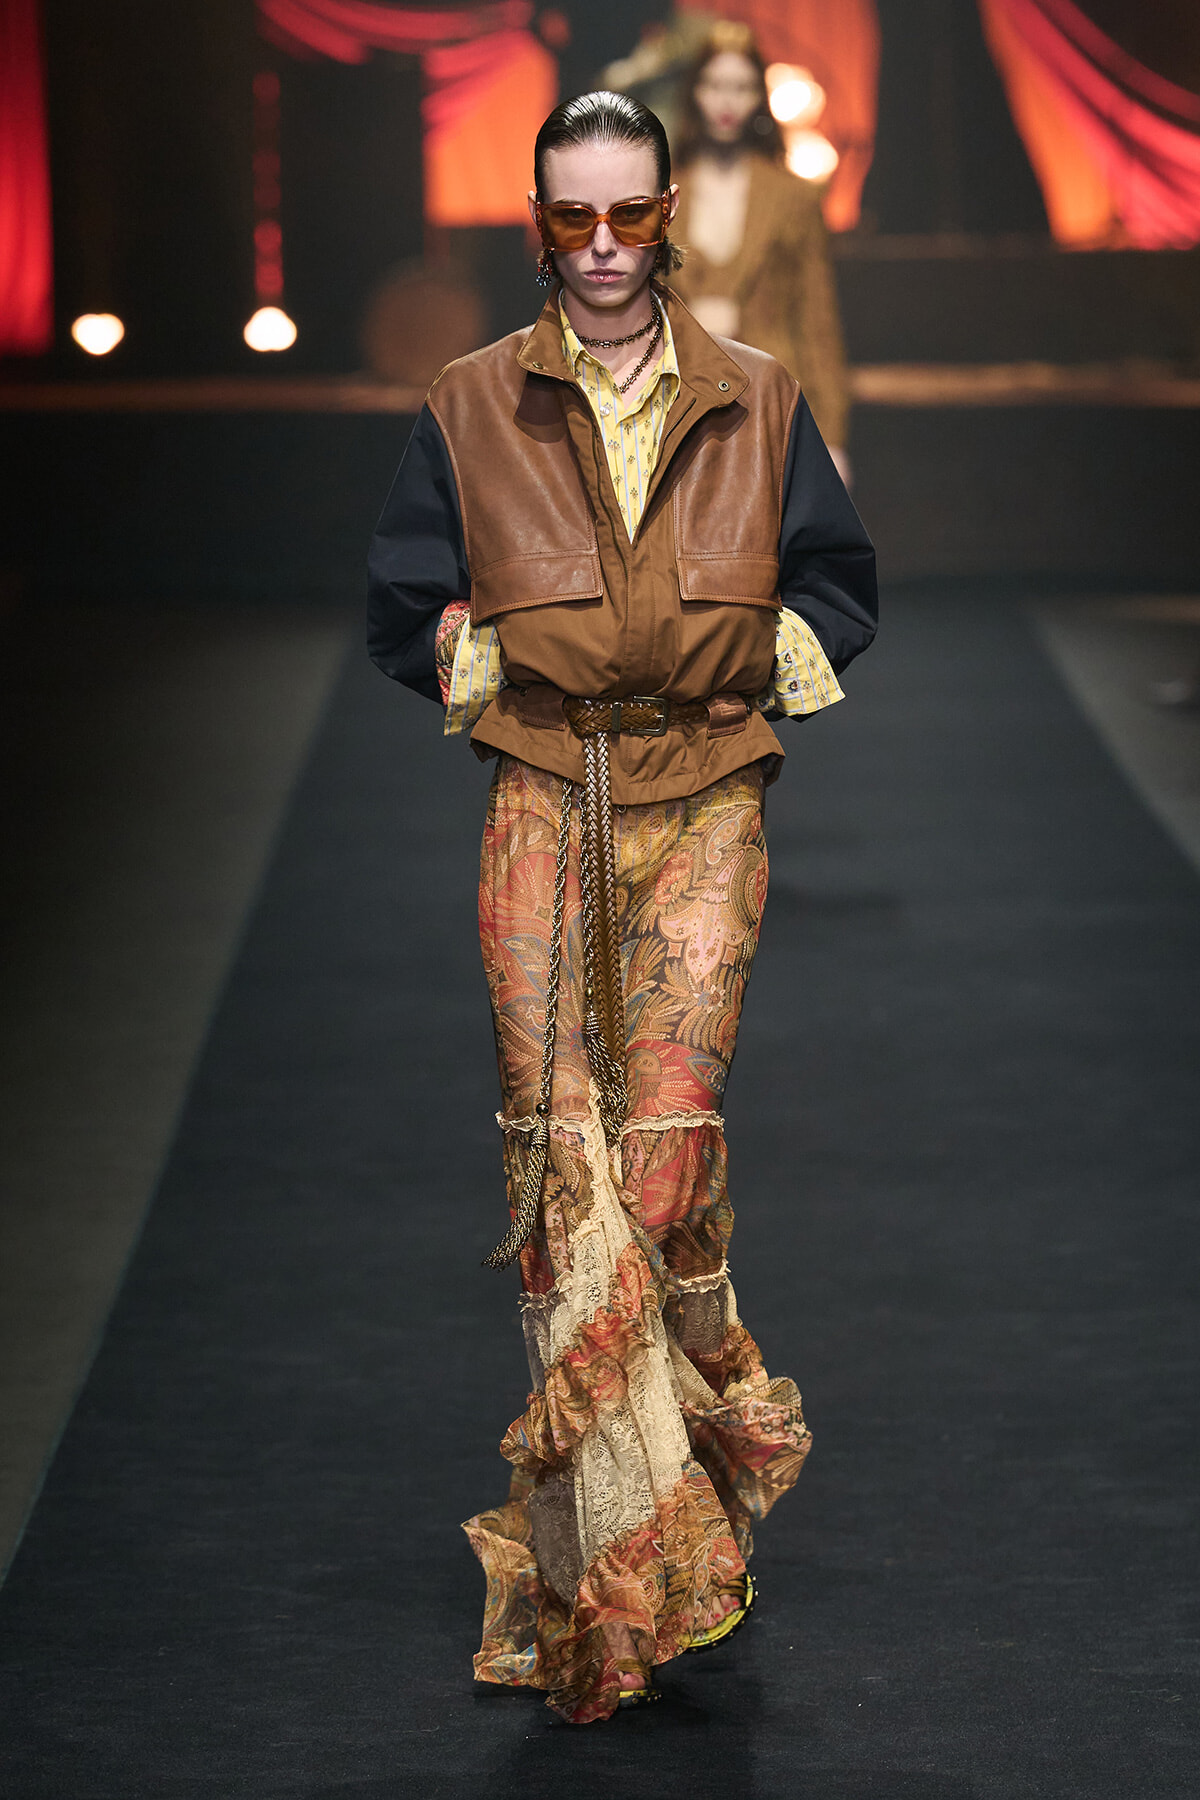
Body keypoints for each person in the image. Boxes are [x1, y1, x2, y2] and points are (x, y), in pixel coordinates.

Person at [367, 89, 876, 1725]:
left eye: (627, 215)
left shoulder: (757, 394)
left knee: (659, 1147)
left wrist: (741, 674)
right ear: (539, 223)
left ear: (661, 218)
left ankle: (660, 1506)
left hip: (708, 797)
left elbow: (841, 587)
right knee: (552, 1155)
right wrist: (508, 667)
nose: (600, 246)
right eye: (571, 216)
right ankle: (625, 1570)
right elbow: (402, 602)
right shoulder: (469, 402)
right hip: (545, 789)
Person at [670, 22, 852, 482]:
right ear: (694, 93)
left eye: (742, 87)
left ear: (760, 96)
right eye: (714, 85)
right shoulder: (661, 194)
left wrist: (832, 437)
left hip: (773, 398)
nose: (726, 102)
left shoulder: (792, 197)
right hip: (680, 407)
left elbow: (818, 318)